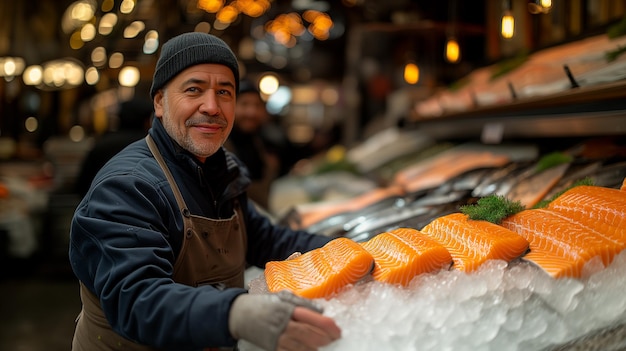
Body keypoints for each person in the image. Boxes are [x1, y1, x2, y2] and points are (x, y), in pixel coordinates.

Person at [68, 32, 341, 351]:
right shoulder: (127, 186)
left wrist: (346, 251)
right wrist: (235, 313)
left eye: (224, 92)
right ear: (159, 102)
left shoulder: (222, 170)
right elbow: (138, 300)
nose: (212, 107)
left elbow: (267, 240)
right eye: (194, 90)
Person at [74, 97, 153, 197]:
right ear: (146, 120)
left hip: (100, 202)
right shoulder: (151, 145)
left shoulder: (102, 144)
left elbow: (82, 185)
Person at [224, 79, 279, 210]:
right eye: (244, 104)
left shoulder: (259, 143)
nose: (251, 112)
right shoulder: (217, 147)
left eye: (257, 105)